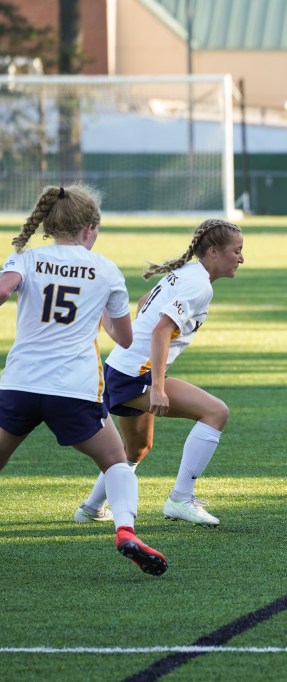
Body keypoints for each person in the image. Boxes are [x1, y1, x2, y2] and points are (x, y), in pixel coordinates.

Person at [0, 185, 167, 575]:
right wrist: (101, 314)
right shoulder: (106, 270)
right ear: (90, 228)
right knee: (116, 462)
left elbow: (4, 290)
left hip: (20, 384)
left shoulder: (26, 258)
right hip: (73, 389)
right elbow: (125, 339)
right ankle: (125, 530)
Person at [73, 219, 244, 528]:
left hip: (119, 369)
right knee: (216, 412)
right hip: (134, 376)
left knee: (137, 447)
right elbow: (161, 331)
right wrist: (158, 386)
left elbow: (144, 304)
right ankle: (181, 498)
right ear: (215, 251)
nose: (241, 258)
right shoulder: (199, 284)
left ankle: (91, 507)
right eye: (237, 251)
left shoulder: (187, 274)